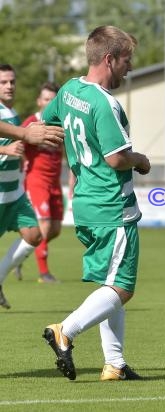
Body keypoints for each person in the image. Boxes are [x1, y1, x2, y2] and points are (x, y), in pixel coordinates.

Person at [40, 25, 151, 381]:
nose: (129, 67)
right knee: (122, 288)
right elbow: (118, 158)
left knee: (109, 284)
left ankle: (114, 364)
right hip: (111, 206)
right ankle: (66, 331)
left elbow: (49, 124)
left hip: (86, 202)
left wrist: (77, 158)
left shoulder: (70, 89)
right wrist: (142, 160)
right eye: (126, 60)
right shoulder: (106, 103)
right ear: (109, 59)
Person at [0, 64, 43, 310]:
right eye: (3, 82)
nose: (9, 86)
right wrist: (5, 149)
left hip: (14, 194)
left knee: (34, 235)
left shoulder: (12, 112)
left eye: (12, 81)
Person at [16, 82, 63, 283]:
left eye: (53, 99)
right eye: (46, 99)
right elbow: (16, 143)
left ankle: (20, 253)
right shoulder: (31, 123)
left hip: (55, 182)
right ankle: (44, 273)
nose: (49, 102)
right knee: (43, 225)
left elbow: (66, 152)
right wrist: (21, 165)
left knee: (54, 229)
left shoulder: (60, 124)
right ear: (39, 101)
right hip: (36, 180)